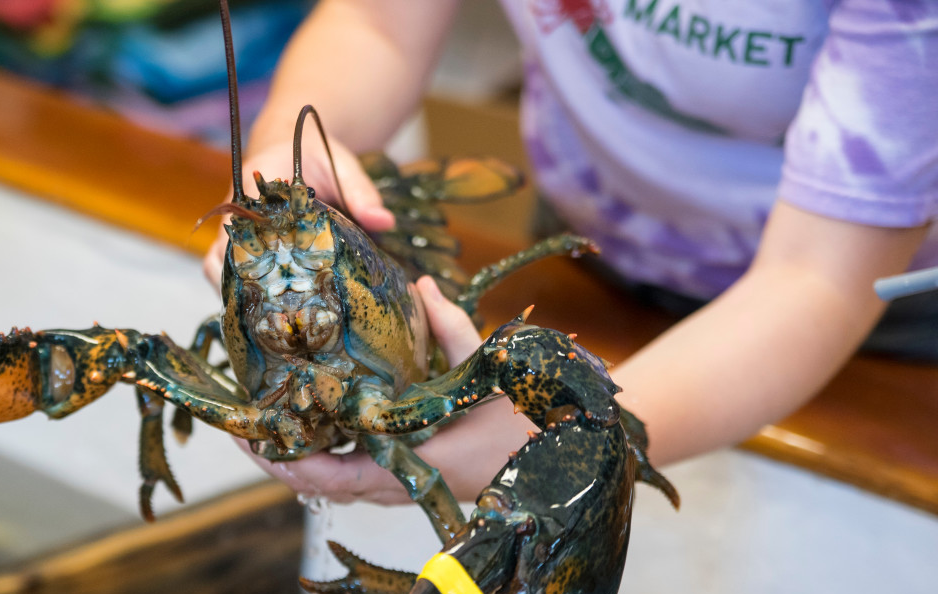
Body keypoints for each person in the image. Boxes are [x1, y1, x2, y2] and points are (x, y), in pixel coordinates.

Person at [202, 0, 937, 506]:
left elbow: (815, 279)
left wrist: (556, 442)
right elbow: (378, 24)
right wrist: (277, 159)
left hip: (884, 321)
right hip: (590, 250)